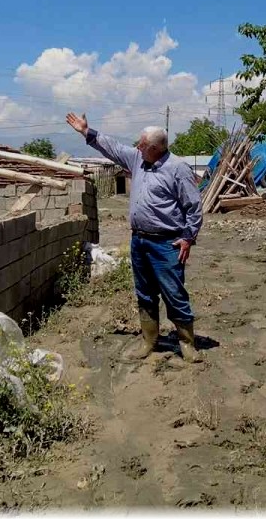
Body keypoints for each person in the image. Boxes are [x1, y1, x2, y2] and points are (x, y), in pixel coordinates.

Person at [65, 112, 205, 362]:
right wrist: (87, 132)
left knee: (174, 293)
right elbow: (113, 148)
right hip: (139, 241)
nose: (137, 147)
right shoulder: (138, 159)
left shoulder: (177, 168)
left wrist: (188, 237)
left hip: (167, 243)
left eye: (142, 144)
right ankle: (149, 341)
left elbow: (193, 206)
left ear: (155, 148)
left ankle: (187, 343)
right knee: (145, 293)